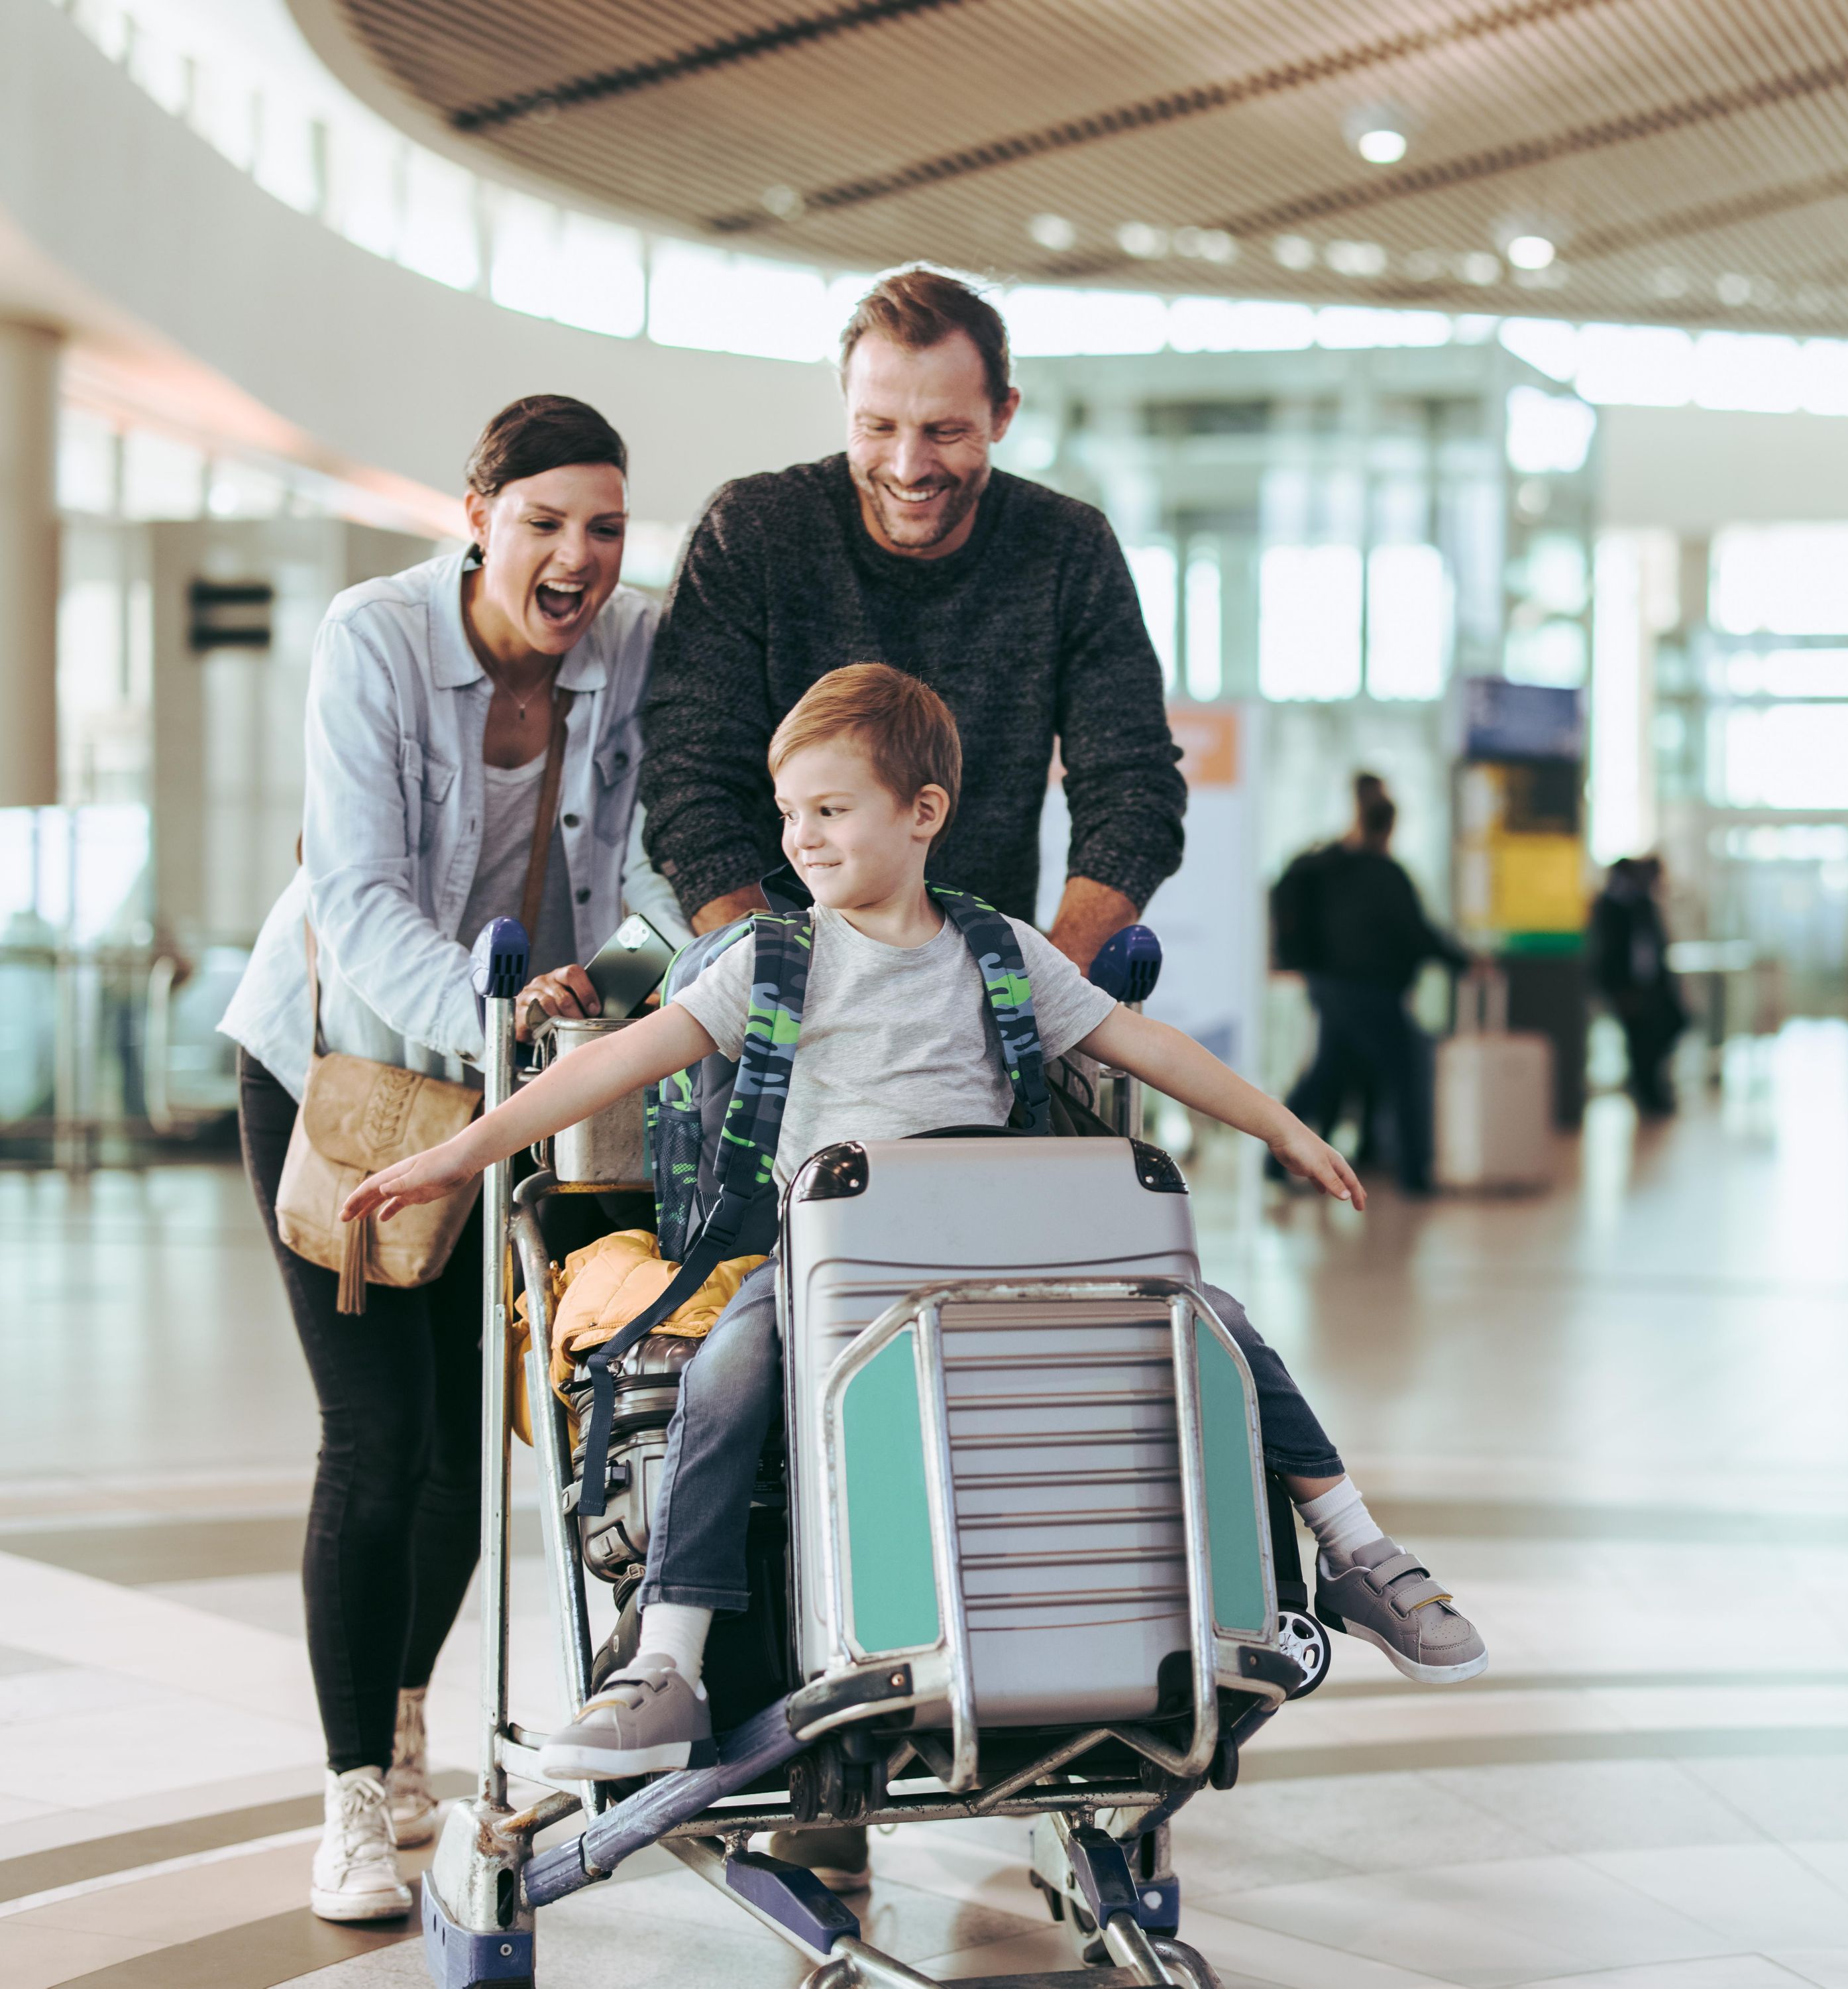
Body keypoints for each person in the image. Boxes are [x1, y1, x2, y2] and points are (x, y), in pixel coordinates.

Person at [339, 667, 1489, 1790]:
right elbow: (607, 1071)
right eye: (790, 814)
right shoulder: (770, 962)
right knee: (728, 1370)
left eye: (832, 810)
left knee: (1218, 1324)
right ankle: (668, 1663)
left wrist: (1282, 1126)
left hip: (1000, 1258)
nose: (802, 839)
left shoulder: (999, 954)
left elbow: (1151, 1050)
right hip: (829, 1262)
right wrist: (450, 1155)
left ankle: (1356, 1551)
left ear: (923, 813)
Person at [219, 398, 686, 1923]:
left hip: (502, 1087)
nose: (578, 556)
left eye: (604, 525)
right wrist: (499, 1005)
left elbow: (647, 857)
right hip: (340, 1074)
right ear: (478, 512)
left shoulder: (633, 646)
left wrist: (650, 985)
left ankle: (408, 1715)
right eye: (546, 520)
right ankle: (356, 1793)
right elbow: (352, 895)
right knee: (374, 1433)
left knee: (462, 1456)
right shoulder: (374, 635)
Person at [638, 267, 1184, 965]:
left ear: (1003, 414)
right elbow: (689, 782)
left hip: (984, 994)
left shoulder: (1068, 550)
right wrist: (769, 982)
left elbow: (1133, 787)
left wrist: (1045, 992)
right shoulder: (752, 531)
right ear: (846, 406)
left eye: (945, 431)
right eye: (878, 427)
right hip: (769, 993)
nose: (908, 465)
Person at [1276, 775, 1466, 1196]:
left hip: (1328, 987)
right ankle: (1415, 1175)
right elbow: (1418, 934)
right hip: (1370, 992)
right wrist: (1465, 961)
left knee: (1327, 1074)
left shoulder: (1327, 866)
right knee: (1409, 1071)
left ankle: (1273, 1161)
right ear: (1389, 826)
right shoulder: (1384, 874)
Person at [1590, 855, 1687, 1116]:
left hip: (1652, 986)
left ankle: (1653, 1090)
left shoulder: (1643, 904)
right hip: (1628, 989)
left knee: (1669, 1028)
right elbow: (1606, 954)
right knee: (1639, 1042)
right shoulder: (1611, 906)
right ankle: (1647, 1094)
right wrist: (1618, 990)